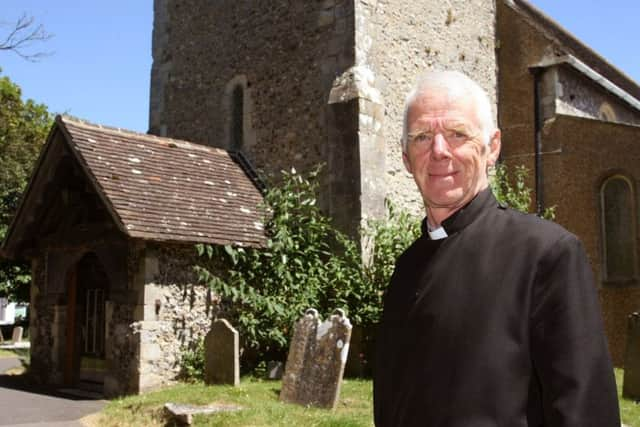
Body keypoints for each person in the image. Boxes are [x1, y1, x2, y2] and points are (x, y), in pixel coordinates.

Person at [373, 70, 620, 426]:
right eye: (422, 137)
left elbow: (586, 416)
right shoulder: (406, 267)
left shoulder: (547, 255)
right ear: (406, 159)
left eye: (458, 134)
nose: (439, 151)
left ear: (493, 148)